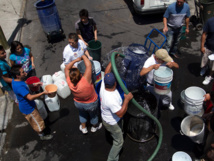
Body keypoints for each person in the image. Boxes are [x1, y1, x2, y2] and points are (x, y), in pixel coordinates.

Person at [99, 59, 133, 161]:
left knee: (118, 132)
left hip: (107, 117)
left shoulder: (103, 85)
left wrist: (113, 60)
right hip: (112, 122)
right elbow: (120, 114)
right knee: (119, 142)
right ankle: (111, 158)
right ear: (115, 84)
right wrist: (126, 100)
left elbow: (106, 72)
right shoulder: (111, 99)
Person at [10, 64, 53, 140]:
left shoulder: (16, 81)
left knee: (37, 119)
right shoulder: (19, 86)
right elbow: (30, 97)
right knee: (37, 123)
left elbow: (26, 85)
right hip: (28, 109)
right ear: (17, 75)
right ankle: (42, 136)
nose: (25, 73)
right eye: (23, 72)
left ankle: (41, 131)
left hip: (30, 105)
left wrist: (34, 84)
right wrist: (43, 93)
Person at [65, 55, 101, 134]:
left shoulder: (69, 82)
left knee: (82, 114)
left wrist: (74, 61)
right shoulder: (86, 80)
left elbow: (67, 68)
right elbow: (89, 65)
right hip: (91, 103)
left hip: (79, 103)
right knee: (94, 115)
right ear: (81, 74)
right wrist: (83, 56)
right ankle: (94, 127)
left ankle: (84, 128)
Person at [200, 17, 214, 85]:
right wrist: (202, 46)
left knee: (213, 65)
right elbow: (204, 34)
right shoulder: (210, 21)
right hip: (208, 46)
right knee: (204, 59)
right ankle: (204, 67)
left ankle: (210, 76)